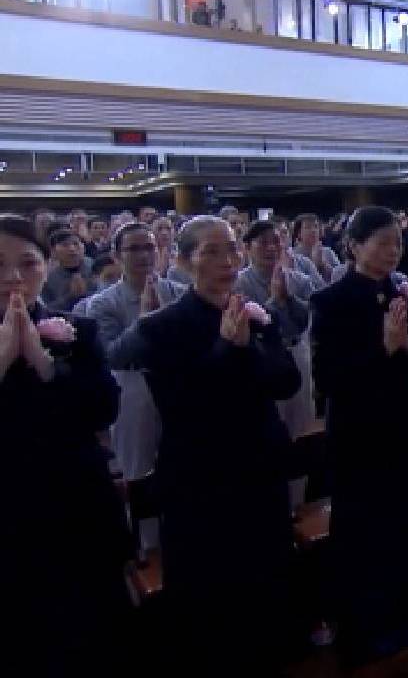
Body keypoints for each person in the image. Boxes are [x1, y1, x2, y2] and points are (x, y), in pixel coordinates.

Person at [131, 215, 301, 673]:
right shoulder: (162, 327)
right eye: (211, 251)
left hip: (259, 467)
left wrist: (246, 348)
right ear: (184, 262)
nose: (227, 261)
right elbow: (184, 404)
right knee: (211, 595)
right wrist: (227, 350)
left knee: (264, 581)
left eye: (231, 249)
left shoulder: (253, 312)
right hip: (201, 479)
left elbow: (288, 380)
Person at [309, 206, 408, 665]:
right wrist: (382, 350)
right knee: (362, 528)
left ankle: (398, 609)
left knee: (404, 519)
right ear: (353, 245)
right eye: (382, 242)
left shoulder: (403, 293)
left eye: (397, 243)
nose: (393, 251)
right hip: (358, 433)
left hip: (403, 424)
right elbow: (328, 376)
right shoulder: (331, 301)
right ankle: (364, 623)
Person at [1, 215, 132, 676]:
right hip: (10, 517)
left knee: (95, 632)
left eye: (27, 263)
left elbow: (103, 408)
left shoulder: (77, 331)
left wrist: (44, 363)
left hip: (79, 503)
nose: (14, 277)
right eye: (0, 265)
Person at [86, 222, 186, 483]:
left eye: (149, 247)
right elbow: (112, 356)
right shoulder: (103, 303)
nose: (144, 255)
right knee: (138, 472)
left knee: (183, 466)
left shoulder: (180, 293)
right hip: (132, 385)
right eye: (134, 249)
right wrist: (143, 323)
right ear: (118, 256)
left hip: (179, 383)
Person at [235, 221, 319, 456]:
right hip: (264, 363)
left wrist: (287, 300)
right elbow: (254, 326)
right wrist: (274, 303)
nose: (271, 248)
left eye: (276, 242)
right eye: (263, 243)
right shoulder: (240, 283)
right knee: (273, 427)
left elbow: (309, 319)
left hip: (297, 353)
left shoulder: (300, 280)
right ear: (247, 248)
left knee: (302, 427)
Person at [41, 227, 96, 312]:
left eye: (76, 244)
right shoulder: (47, 278)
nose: (72, 249)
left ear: (83, 247)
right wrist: (70, 297)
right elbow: (46, 309)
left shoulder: (95, 267)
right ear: (53, 251)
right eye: (65, 245)